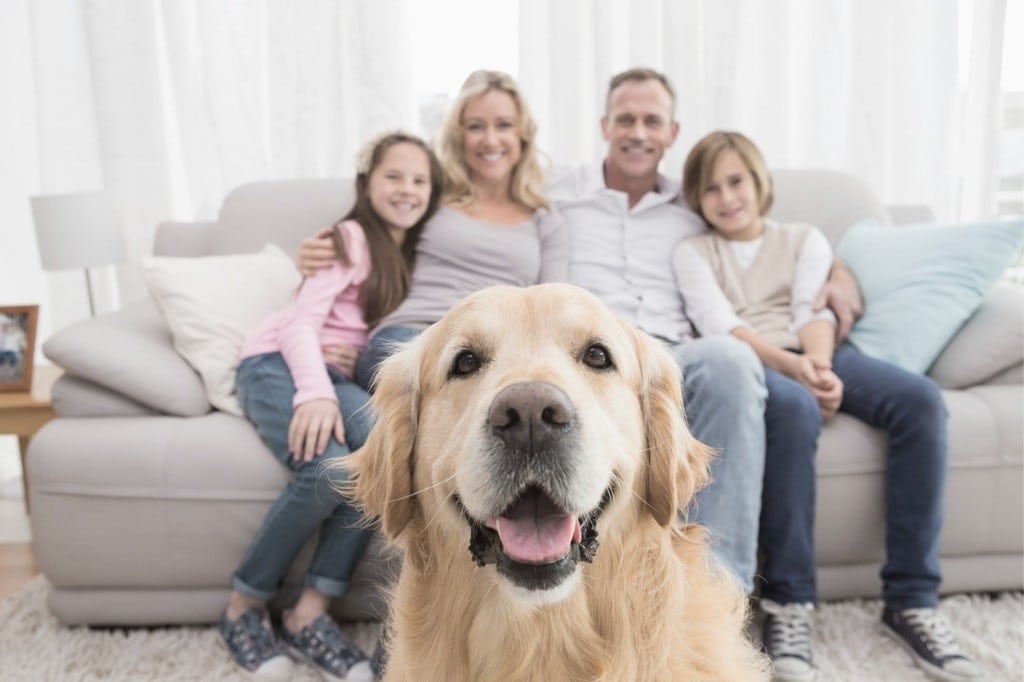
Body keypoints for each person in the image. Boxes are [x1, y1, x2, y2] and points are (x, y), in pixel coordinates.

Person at [673, 130, 980, 682]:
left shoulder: (803, 239)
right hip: (758, 361)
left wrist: (820, 366)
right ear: (697, 200)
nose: (726, 196)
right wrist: (797, 373)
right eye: (711, 188)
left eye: (736, 180)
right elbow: (724, 326)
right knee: (794, 408)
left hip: (817, 351)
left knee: (921, 401)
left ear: (759, 180)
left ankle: (911, 598)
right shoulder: (694, 253)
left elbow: (814, 310)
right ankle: (790, 602)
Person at [545, 68, 862, 596]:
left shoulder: (695, 204)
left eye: (653, 121)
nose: (638, 132)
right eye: (626, 119)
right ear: (604, 125)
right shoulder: (558, 197)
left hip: (676, 353)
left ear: (672, 132)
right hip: (588, 358)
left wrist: (842, 274)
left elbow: (772, 239)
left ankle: (720, 595)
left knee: (729, 360)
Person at [219, 131, 444, 681]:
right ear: (367, 183)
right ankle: (243, 606)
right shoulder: (350, 237)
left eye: (420, 180)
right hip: (275, 362)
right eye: (394, 176)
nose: (407, 189)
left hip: (334, 371)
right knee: (323, 466)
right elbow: (299, 322)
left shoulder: (411, 253)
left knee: (381, 454)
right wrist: (316, 390)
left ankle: (309, 613)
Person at [299, 70, 568, 390]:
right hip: (411, 335)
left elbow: (554, 306)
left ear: (522, 134)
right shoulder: (432, 195)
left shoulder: (545, 219)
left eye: (504, 125)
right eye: (475, 126)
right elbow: (372, 239)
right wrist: (315, 258)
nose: (490, 139)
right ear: (459, 134)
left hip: (496, 347)